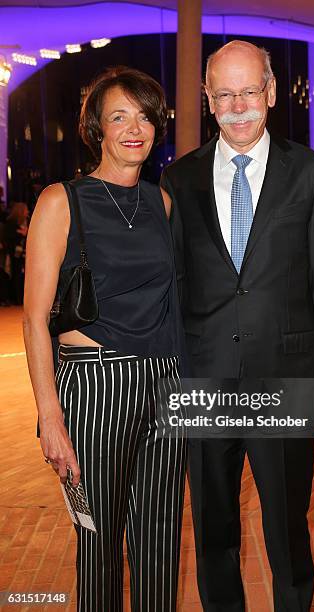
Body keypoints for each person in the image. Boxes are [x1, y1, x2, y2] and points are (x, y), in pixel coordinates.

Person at [161, 40, 314, 611]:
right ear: (207, 98)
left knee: (287, 529)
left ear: (271, 93)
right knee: (213, 531)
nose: (239, 105)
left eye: (250, 91)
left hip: (287, 377)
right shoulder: (180, 180)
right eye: (224, 94)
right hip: (204, 379)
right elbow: (175, 282)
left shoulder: (312, 173)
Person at [23, 66, 187, 612]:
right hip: (94, 386)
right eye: (119, 116)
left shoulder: (161, 204)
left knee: (160, 539)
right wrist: (50, 417)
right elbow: (33, 318)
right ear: (96, 127)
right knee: (97, 542)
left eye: (144, 116)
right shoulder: (60, 201)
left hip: (164, 385)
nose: (133, 128)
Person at [4, 201, 29, 304]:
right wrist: (21, 234)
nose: (27, 212)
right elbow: (9, 239)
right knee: (15, 275)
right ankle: (15, 299)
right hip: (13, 255)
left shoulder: (25, 222)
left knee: (22, 276)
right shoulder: (10, 223)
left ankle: (20, 298)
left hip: (23, 254)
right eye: (25, 210)